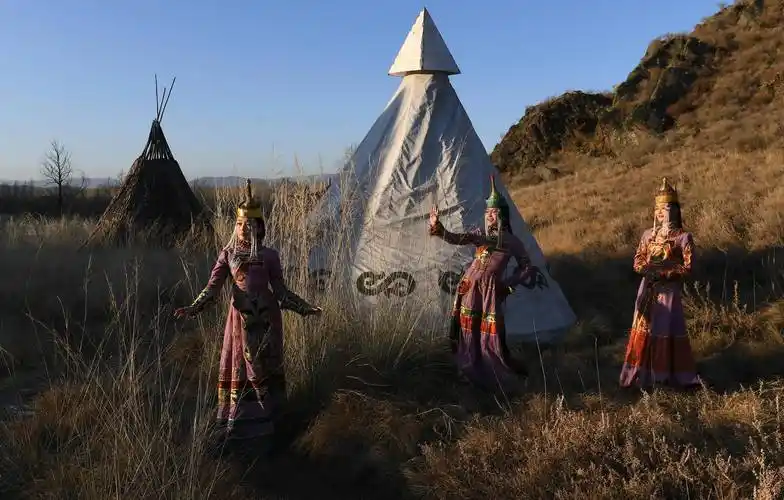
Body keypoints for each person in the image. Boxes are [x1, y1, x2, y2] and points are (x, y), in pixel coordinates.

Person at [174, 179, 322, 447]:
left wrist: (305, 308)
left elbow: (281, 292)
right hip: (241, 321)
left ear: (259, 227)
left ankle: (271, 426)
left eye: (250, 224)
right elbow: (213, 287)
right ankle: (242, 426)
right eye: (240, 224)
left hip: (267, 319)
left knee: (267, 366)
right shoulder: (228, 254)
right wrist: (194, 308)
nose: (244, 229)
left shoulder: (270, 256)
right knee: (246, 368)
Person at [428, 175, 536, 392]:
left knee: (489, 334)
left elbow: (527, 267)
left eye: (494, 213)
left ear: (503, 216)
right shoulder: (479, 235)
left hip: (489, 293)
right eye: (487, 213)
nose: (489, 217)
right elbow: (457, 238)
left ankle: (492, 370)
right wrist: (438, 227)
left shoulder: (512, 241)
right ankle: (468, 370)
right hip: (469, 289)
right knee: (467, 331)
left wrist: (509, 285)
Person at [619, 177, 702, 390]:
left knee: (665, 329)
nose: (660, 212)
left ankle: (664, 377)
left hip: (668, 291)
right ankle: (639, 375)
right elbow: (638, 259)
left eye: (665, 208)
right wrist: (645, 270)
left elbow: (688, 267)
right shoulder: (648, 235)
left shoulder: (684, 238)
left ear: (675, 210)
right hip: (647, 289)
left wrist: (665, 273)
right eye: (657, 208)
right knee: (643, 329)